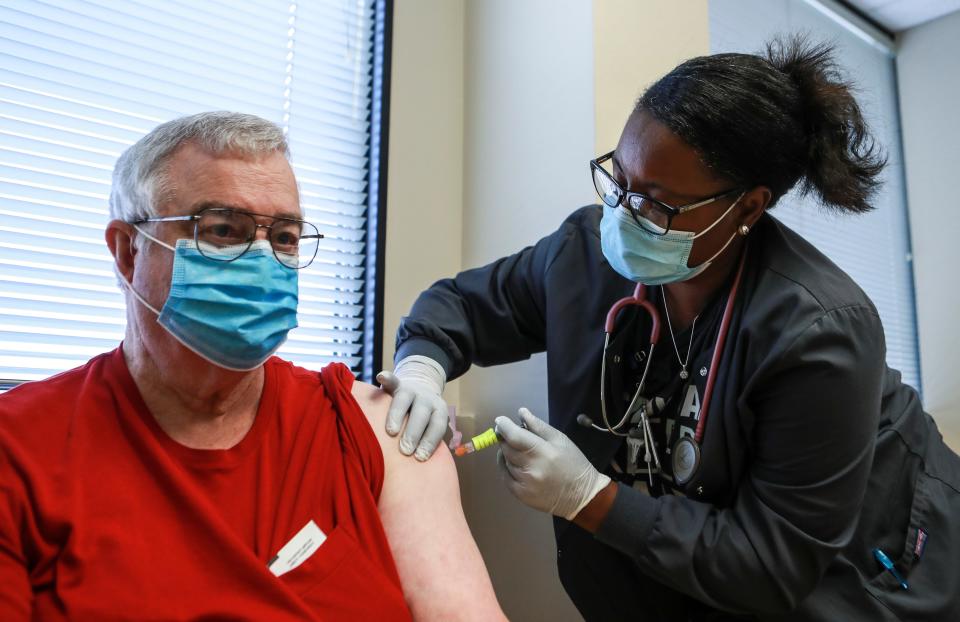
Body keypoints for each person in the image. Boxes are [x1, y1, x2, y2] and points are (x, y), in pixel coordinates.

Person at [383, 37, 960, 620]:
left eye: (657, 204)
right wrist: (422, 370)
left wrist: (590, 498)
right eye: (619, 180)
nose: (623, 213)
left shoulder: (819, 330)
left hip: (873, 576)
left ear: (747, 208)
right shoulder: (586, 254)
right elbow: (461, 306)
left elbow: (769, 564)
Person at [0, 112, 505, 621]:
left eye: (284, 237)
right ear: (128, 251)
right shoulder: (19, 446)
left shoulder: (373, 430)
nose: (263, 260)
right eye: (223, 229)